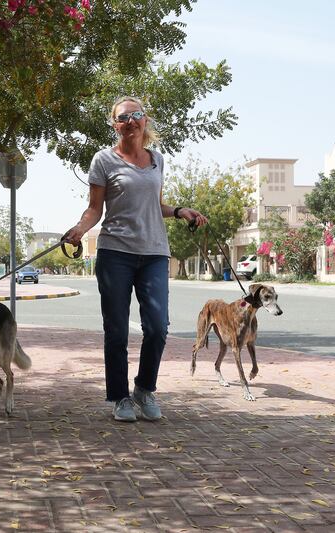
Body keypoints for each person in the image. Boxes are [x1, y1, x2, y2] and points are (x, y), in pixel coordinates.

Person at [63, 96, 208, 422]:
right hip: (115, 253)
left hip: (155, 252)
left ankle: (144, 388)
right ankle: (120, 398)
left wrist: (180, 211)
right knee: (116, 331)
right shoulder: (103, 160)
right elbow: (95, 210)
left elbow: (154, 204)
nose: (131, 121)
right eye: (123, 117)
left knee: (157, 327)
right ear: (115, 125)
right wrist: (78, 228)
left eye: (136, 115)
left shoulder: (157, 160)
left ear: (145, 121)